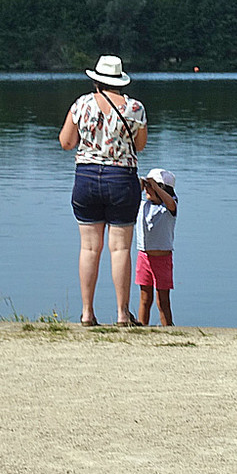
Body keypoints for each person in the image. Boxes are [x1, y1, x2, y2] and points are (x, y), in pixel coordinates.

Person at [59, 55, 146, 327]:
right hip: (121, 179)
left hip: (86, 178)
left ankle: (87, 313)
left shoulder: (81, 104)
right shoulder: (135, 107)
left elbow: (66, 142)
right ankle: (122, 314)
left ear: (96, 80)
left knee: (89, 247)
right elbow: (140, 146)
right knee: (120, 249)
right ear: (120, 81)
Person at [135, 167, 178, 326]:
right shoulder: (142, 205)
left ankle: (168, 327)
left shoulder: (168, 208)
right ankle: (142, 326)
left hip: (163, 259)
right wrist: (141, 185)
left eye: (151, 188)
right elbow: (130, 197)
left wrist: (156, 187)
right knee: (145, 298)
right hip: (144, 257)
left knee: (163, 300)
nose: (148, 190)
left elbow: (171, 203)